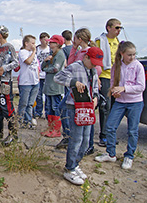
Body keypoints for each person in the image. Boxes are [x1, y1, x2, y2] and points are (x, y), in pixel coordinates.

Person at [54, 47, 102, 185]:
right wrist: (73, 82)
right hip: (75, 106)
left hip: (88, 107)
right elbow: (58, 77)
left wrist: (96, 98)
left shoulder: (93, 70)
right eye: (92, 62)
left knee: (86, 139)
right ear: (86, 57)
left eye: (96, 63)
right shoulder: (75, 67)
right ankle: (69, 168)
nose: (94, 65)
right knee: (76, 138)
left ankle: (75, 164)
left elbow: (95, 86)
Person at [95, 41, 145, 170]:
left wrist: (124, 88)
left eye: (134, 54)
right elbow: (113, 83)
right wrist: (114, 92)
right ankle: (111, 153)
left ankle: (129, 156)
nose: (132, 57)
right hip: (120, 102)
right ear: (122, 53)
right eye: (129, 54)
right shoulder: (116, 66)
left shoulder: (138, 66)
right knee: (110, 126)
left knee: (132, 131)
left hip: (135, 102)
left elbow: (141, 87)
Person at [95, 18, 123, 147]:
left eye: (120, 28)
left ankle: (111, 133)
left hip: (116, 78)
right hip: (105, 76)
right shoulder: (100, 41)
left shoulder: (118, 42)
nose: (119, 30)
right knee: (105, 107)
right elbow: (96, 61)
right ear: (108, 28)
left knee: (114, 107)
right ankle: (103, 135)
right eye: (117, 27)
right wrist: (98, 78)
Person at [0, 25, 19, 146]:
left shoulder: (9, 47)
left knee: (7, 108)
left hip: (4, 82)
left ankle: (13, 134)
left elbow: (15, 62)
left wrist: (4, 68)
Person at [40, 35, 66, 138]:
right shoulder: (51, 54)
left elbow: (55, 69)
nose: (49, 44)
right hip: (49, 85)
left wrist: (47, 68)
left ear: (57, 44)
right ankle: (50, 127)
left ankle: (56, 129)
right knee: (49, 107)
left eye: (51, 42)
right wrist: (46, 61)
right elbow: (42, 67)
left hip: (55, 86)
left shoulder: (60, 54)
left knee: (55, 107)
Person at [17, 35, 40, 129]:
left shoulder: (33, 54)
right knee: (23, 103)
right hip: (25, 82)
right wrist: (34, 51)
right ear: (27, 43)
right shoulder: (23, 52)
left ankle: (28, 121)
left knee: (30, 103)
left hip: (34, 81)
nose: (34, 45)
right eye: (33, 43)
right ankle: (19, 120)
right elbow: (28, 61)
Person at [34, 32, 50, 119]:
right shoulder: (37, 49)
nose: (47, 42)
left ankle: (47, 112)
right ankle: (38, 111)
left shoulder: (49, 49)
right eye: (45, 39)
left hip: (47, 74)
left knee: (47, 94)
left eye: (48, 40)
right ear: (40, 40)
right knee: (38, 95)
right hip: (39, 75)